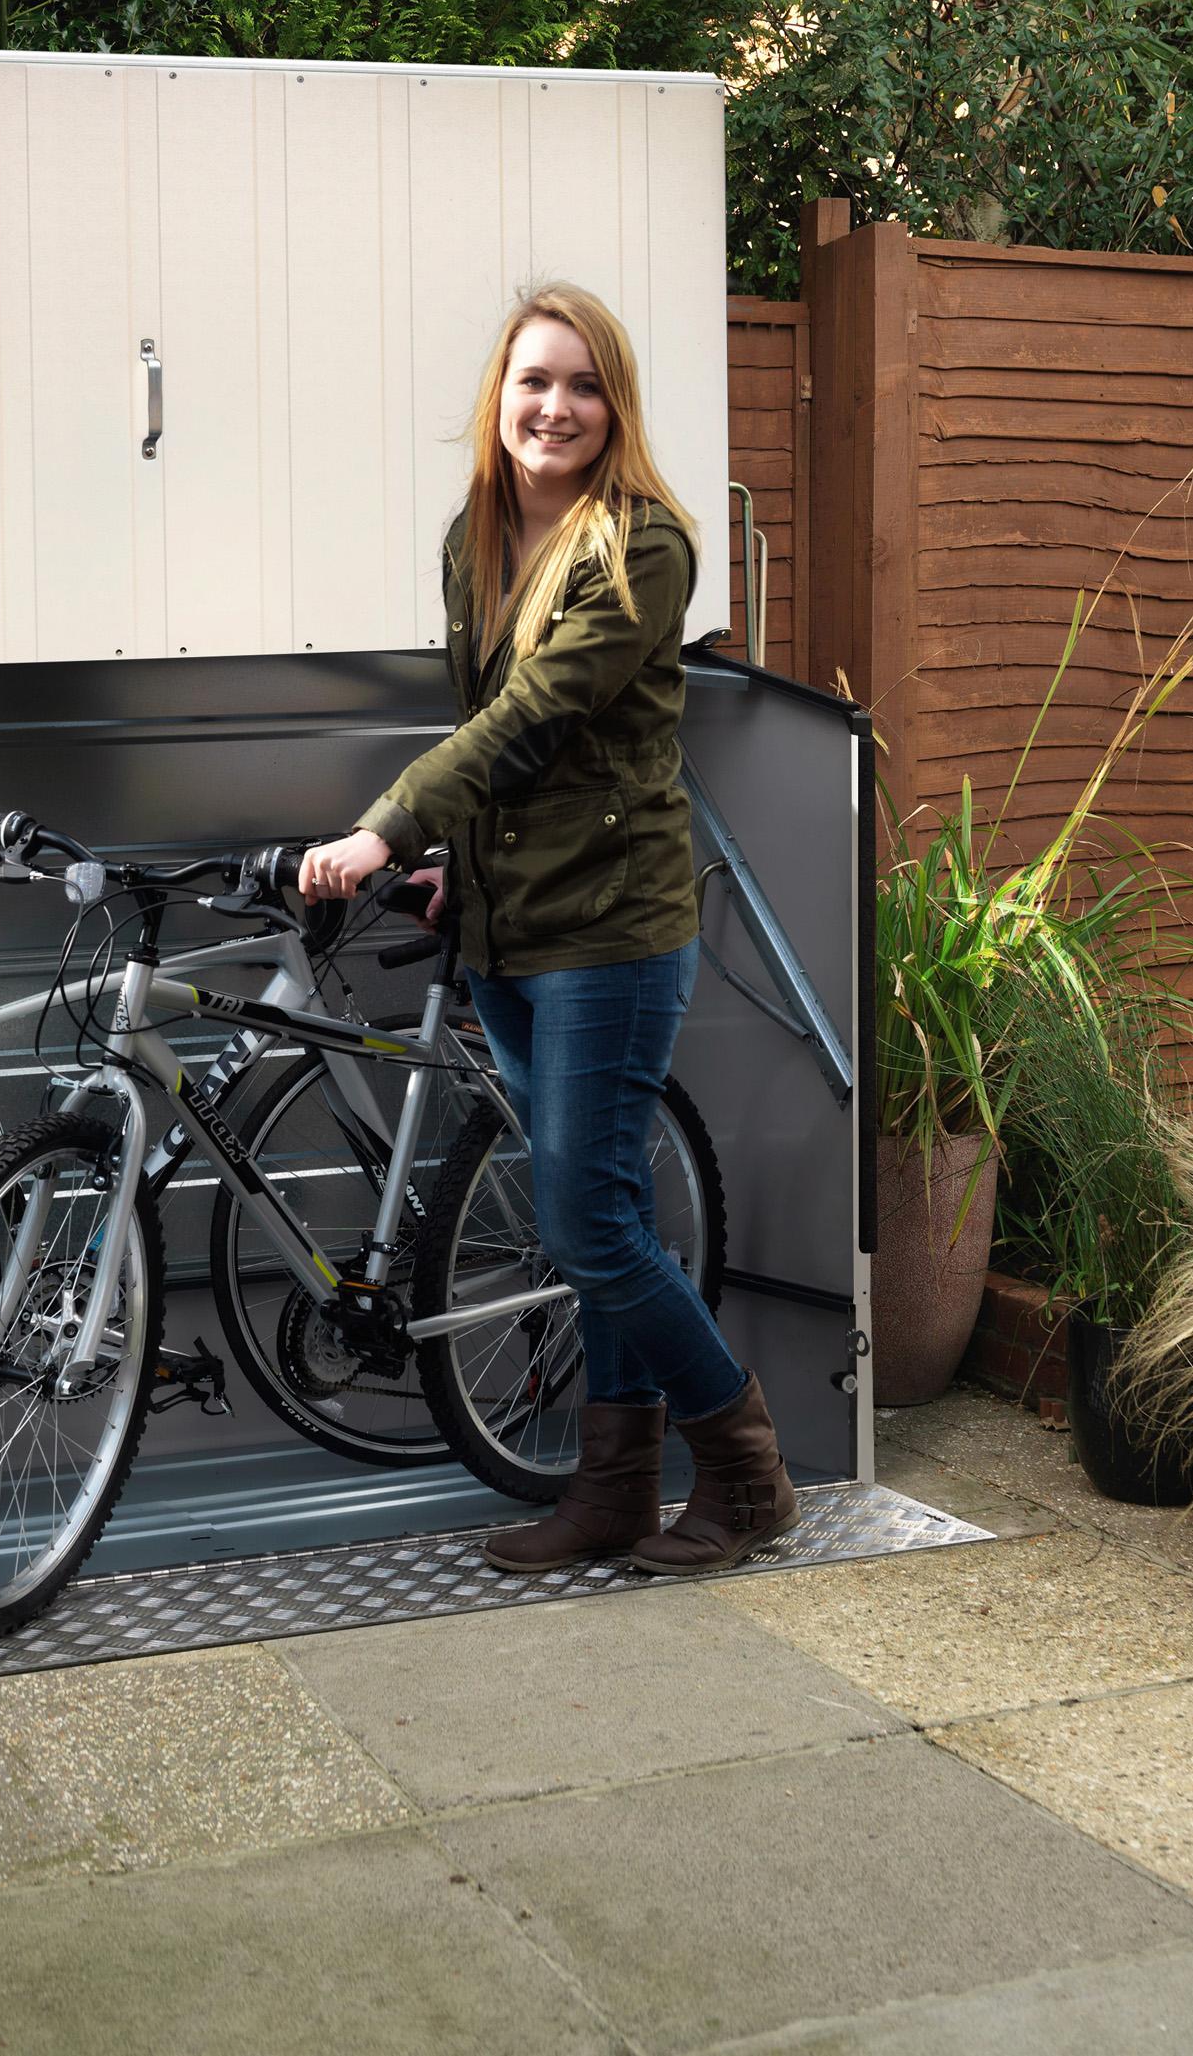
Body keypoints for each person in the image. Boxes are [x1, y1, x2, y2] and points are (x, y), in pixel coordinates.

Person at [296, 282, 799, 1575]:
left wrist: (388, 827)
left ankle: (748, 1471)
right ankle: (614, 1491)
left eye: (583, 384)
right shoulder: (477, 539)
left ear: (613, 404)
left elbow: (531, 718)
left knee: (586, 1226)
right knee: (608, 1210)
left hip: (614, 934)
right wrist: (455, 869)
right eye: (535, 380)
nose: (556, 406)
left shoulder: (645, 547)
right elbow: (502, 741)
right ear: (499, 398)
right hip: (511, 933)